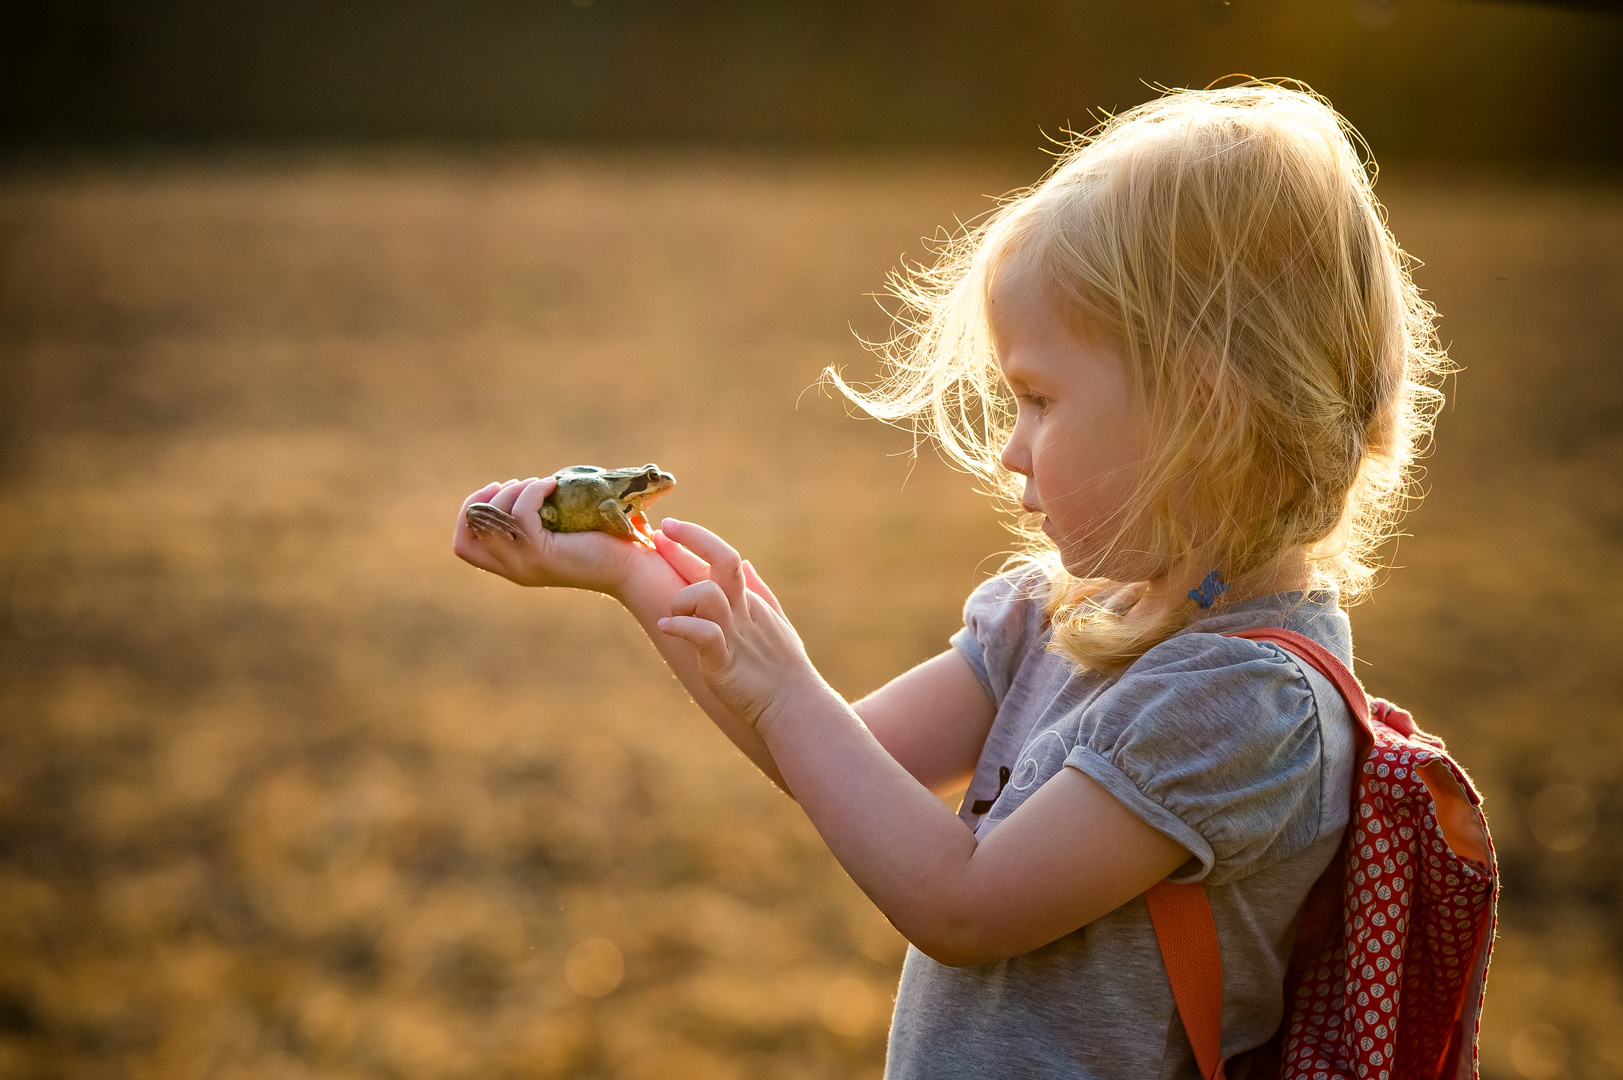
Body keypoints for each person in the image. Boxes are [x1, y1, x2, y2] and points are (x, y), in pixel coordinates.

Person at [452, 81, 1451, 1078]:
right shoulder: (1057, 615)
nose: (1010, 450)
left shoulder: (1243, 705)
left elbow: (965, 905)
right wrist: (634, 571)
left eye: (1039, 399)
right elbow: (840, 758)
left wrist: (785, 682)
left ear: (1205, 409)